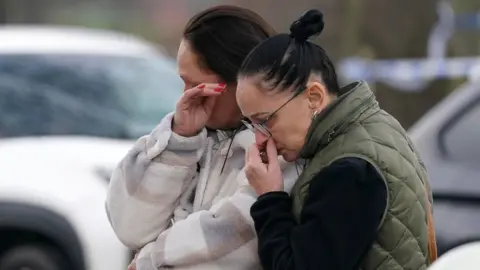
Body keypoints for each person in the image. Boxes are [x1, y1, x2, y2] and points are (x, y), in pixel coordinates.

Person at [235, 9, 438, 270]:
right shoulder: (371, 126)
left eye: (266, 120)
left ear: (314, 97)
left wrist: (270, 198)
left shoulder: (350, 169)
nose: (260, 138)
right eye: (251, 124)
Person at [105, 5, 299, 270]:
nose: (185, 95)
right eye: (183, 82)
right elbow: (129, 227)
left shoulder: (284, 143)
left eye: (195, 84)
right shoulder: (193, 133)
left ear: (239, 82)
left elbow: (237, 238)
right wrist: (178, 141)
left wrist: (149, 261)